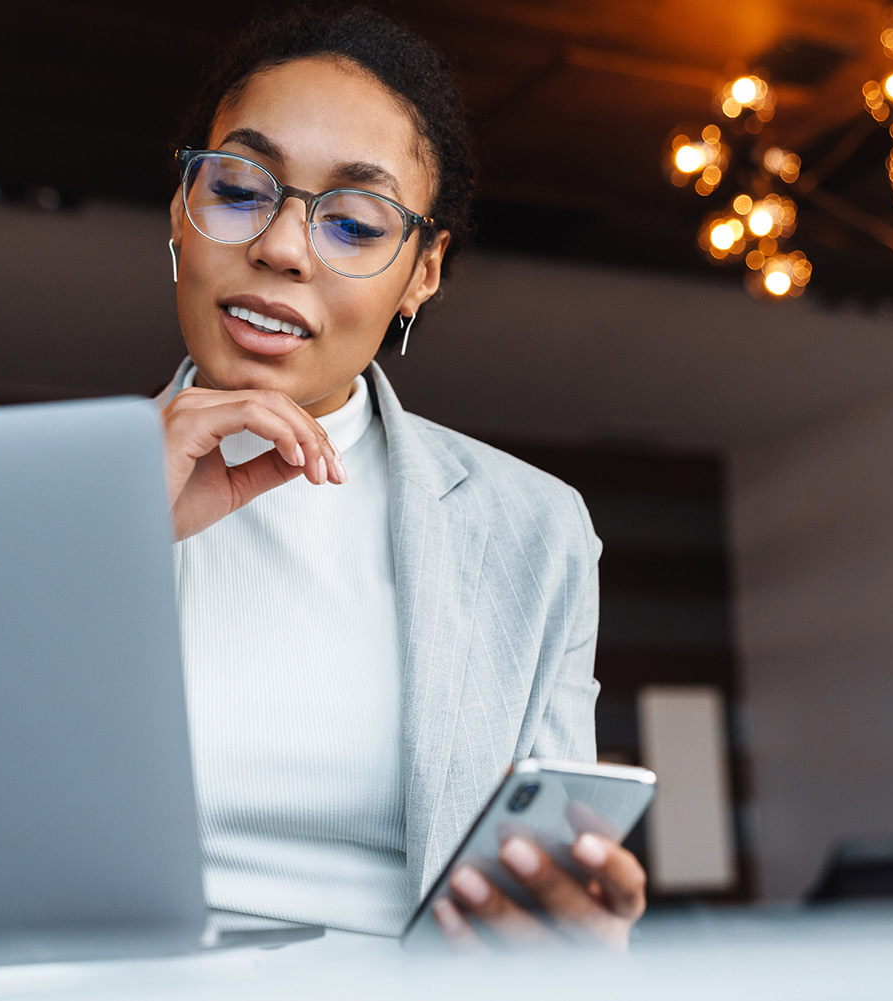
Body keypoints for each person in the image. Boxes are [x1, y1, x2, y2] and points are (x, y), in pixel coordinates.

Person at [156, 6, 646, 949]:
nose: (283, 247)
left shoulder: (533, 528)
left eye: (351, 221)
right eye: (238, 186)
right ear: (182, 206)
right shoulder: (34, 497)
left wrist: (565, 940)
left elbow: (536, 902)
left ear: (422, 271)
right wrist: (95, 527)